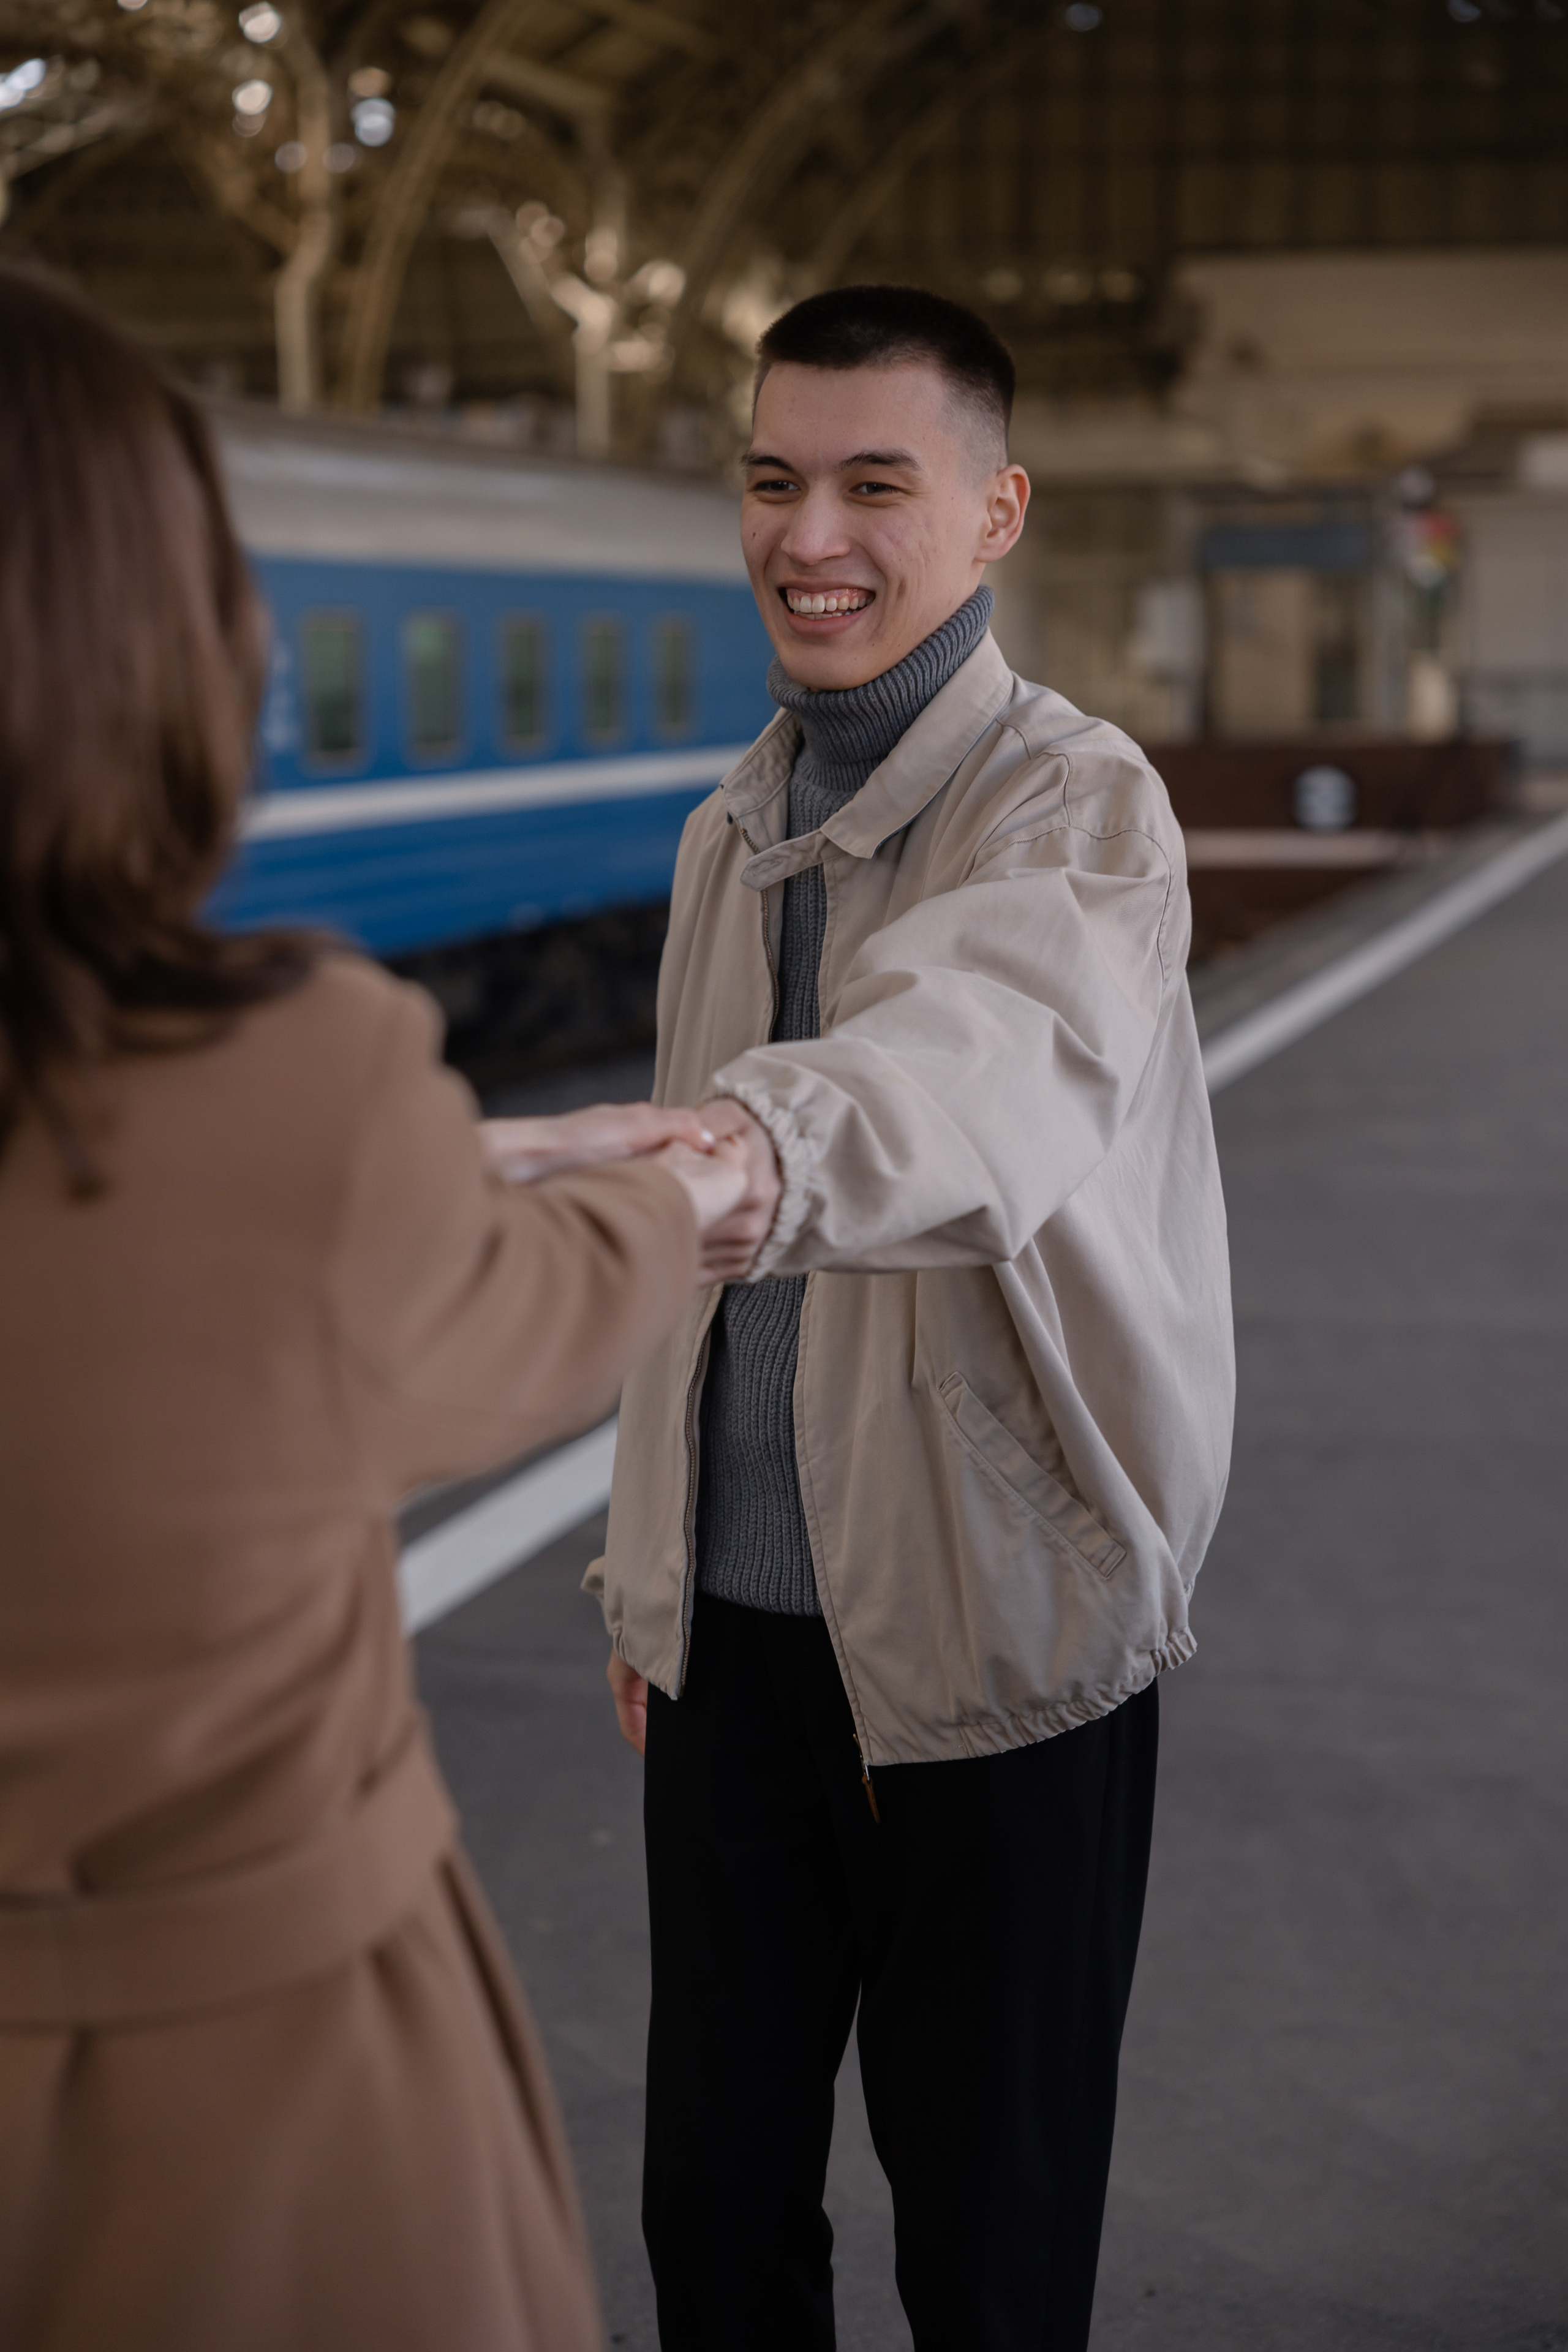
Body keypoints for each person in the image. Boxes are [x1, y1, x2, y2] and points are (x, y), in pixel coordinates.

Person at [0, 260, 756, 2352]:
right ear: (160, 650)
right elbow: (509, 1316)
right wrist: (651, 1181)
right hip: (237, 2129)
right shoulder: (293, 1086)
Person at [589, 285, 1235, 2350]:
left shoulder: (1081, 810)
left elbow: (971, 1065)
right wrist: (646, 1583)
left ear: (998, 513)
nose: (814, 536)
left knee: (993, 2244)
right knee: (714, 2209)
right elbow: (686, 1321)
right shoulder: (730, 831)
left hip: (994, 1650)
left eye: (879, 484)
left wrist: (748, 1153)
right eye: (775, 482)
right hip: (741, 1664)